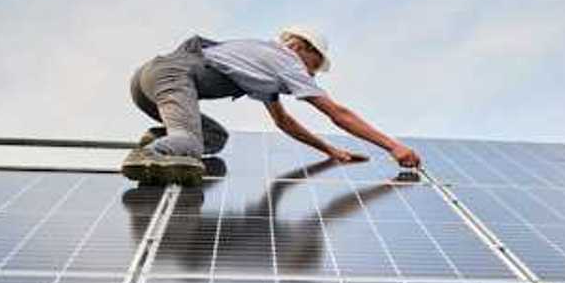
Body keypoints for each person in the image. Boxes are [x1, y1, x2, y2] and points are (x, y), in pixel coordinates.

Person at [124, 26, 421, 185]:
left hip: (145, 81)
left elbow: (284, 122)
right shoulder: (287, 62)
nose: (310, 75)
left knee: (214, 138)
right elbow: (337, 114)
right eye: (313, 66)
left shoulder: (261, 63)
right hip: (173, 77)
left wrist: (330, 151)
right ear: (300, 47)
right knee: (190, 143)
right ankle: (150, 155)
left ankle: (162, 137)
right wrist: (392, 146)